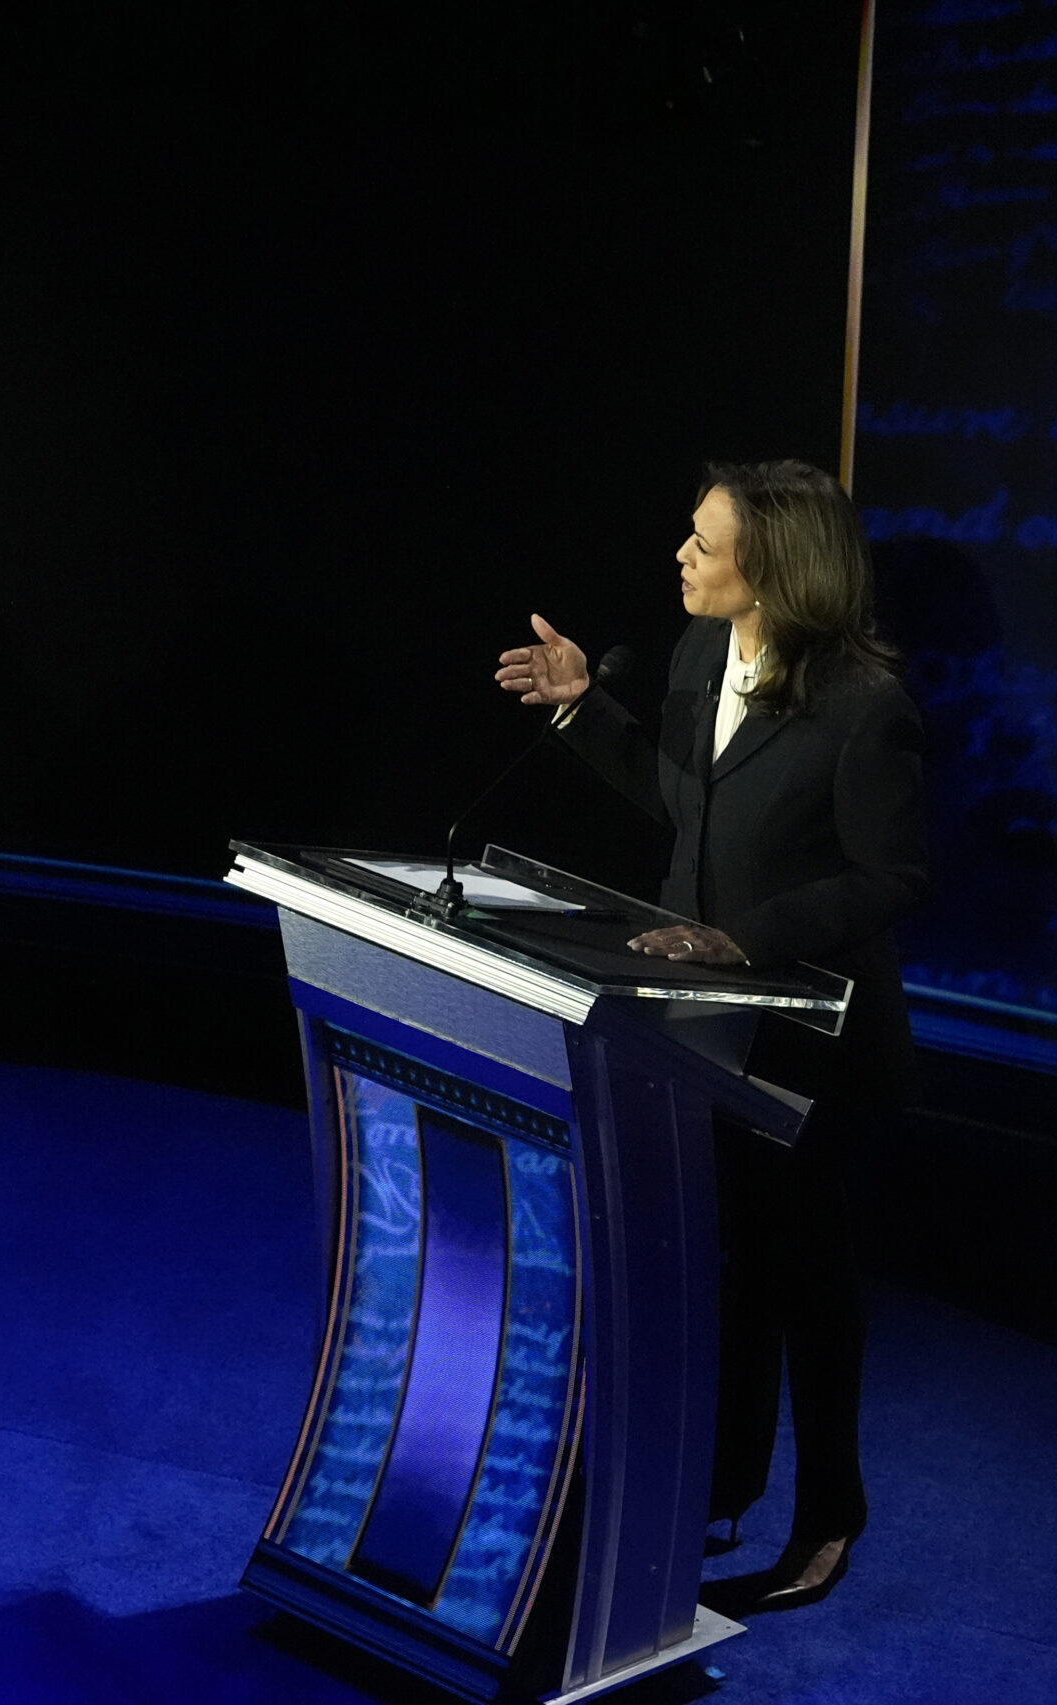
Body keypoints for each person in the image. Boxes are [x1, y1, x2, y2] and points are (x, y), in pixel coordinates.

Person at [495, 460, 926, 1616]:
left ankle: (830, 1513)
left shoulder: (862, 707)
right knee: (728, 1266)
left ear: (771, 566)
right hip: (701, 1031)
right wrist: (584, 709)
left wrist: (747, 939)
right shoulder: (698, 655)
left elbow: (891, 876)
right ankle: (723, 1483)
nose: (680, 556)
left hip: (818, 1046)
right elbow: (679, 797)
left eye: (703, 540)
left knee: (804, 1279)